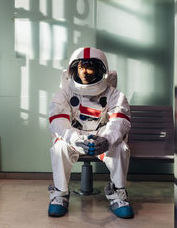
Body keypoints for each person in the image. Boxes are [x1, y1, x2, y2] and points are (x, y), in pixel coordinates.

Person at [48, 47, 134, 219]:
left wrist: (106, 139)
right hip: (74, 138)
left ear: (100, 70)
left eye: (89, 67)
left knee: (121, 149)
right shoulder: (64, 93)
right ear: (74, 69)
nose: (84, 72)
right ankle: (60, 193)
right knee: (59, 149)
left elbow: (120, 121)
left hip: (102, 139)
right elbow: (59, 122)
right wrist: (75, 139)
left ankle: (117, 192)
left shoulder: (114, 95)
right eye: (80, 67)